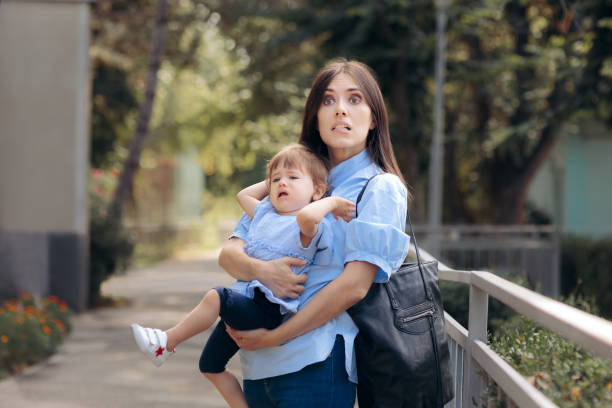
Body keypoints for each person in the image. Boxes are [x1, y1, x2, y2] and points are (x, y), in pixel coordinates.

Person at [217, 59, 412, 407]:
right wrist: (264, 271)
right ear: (315, 116)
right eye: (328, 101)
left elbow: (354, 285)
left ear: (374, 119)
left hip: (315, 362)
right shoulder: (293, 176)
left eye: (354, 100)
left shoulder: (379, 187)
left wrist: (276, 337)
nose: (340, 111)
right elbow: (231, 254)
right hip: (258, 368)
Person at [130, 144, 356, 408]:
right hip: (248, 301)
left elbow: (308, 214)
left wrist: (332, 201)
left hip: (268, 308)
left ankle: (166, 341)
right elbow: (242, 195)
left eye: (293, 178)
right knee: (210, 366)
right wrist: (278, 173)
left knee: (218, 297)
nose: (283, 183)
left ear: (317, 191)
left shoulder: (308, 226)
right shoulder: (265, 214)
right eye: (276, 180)